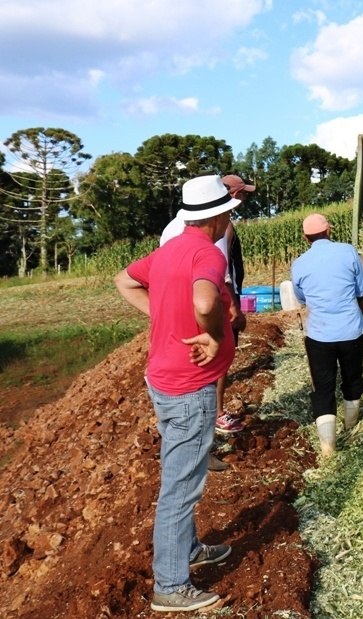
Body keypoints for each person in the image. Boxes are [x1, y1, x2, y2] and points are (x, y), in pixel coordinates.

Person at [115, 175, 239, 612]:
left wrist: (163, 316)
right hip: (189, 388)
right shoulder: (206, 253)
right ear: (219, 216)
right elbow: (206, 302)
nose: (230, 219)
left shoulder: (169, 251)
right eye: (229, 213)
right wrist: (211, 334)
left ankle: (186, 550)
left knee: (179, 472)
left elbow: (123, 280)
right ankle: (170, 585)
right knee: (180, 488)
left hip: (163, 380)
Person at [160, 174, 255, 446]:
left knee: (187, 368)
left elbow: (128, 279)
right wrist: (229, 314)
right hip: (205, 304)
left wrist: (160, 312)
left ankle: (188, 432)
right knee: (213, 360)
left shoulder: (171, 230)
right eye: (239, 195)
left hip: (176, 309)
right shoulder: (212, 235)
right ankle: (211, 424)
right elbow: (216, 282)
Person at [290, 213, 363, 458]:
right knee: (352, 378)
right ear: (329, 231)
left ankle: (328, 449)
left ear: (306, 238)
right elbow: (361, 289)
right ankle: (351, 426)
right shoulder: (348, 252)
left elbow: (301, 298)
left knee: (323, 388)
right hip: (351, 330)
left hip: (319, 335)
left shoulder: (299, 263)